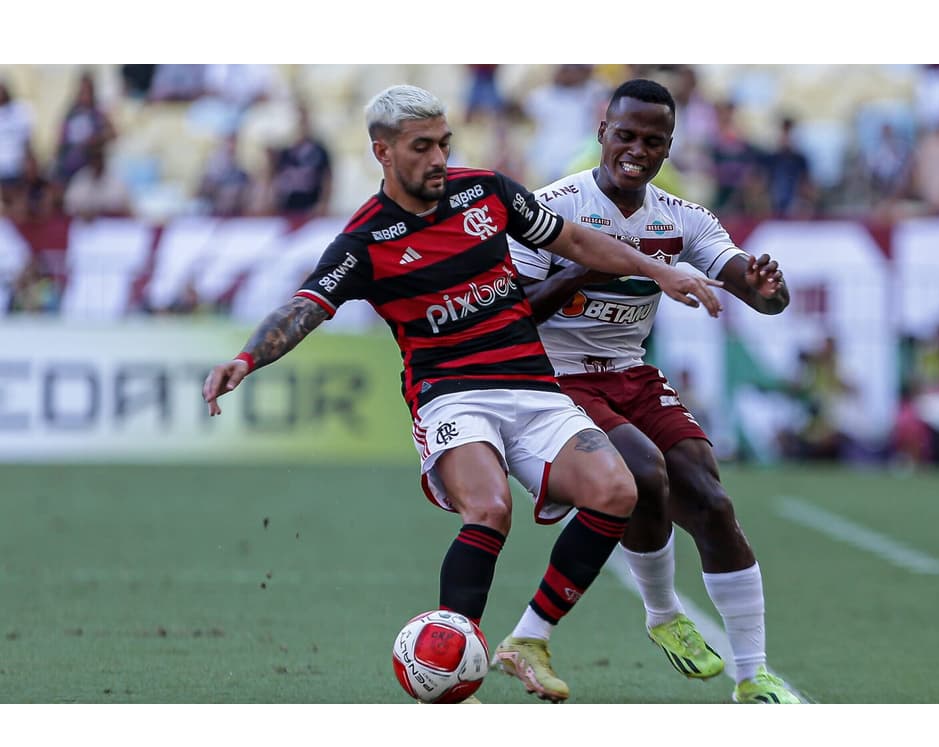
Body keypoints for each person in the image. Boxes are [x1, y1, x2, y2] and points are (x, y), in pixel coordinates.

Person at [201, 84, 725, 704]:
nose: (439, 159)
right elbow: (304, 307)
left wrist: (661, 269)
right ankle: (454, 663)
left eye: (444, 144)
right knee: (490, 507)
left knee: (616, 490)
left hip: (534, 387)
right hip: (453, 396)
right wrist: (246, 357)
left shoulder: (487, 192)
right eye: (421, 147)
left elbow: (576, 242)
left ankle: (527, 640)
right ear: (384, 152)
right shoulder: (364, 242)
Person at [504, 78, 800, 704]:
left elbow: (752, 287)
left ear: (669, 147)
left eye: (654, 140)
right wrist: (595, 262)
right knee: (642, 470)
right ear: (602, 130)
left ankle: (753, 677)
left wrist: (769, 288)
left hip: (630, 373)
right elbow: (513, 315)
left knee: (713, 503)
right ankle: (664, 614)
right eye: (627, 134)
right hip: (555, 374)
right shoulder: (551, 207)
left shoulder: (683, 216)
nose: (637, 149)